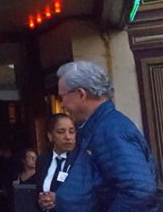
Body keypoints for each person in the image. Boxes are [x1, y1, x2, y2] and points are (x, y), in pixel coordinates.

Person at [53, 60, 157, 212]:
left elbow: (139, 192)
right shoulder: (100, 127)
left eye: (63, 96)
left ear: (81, 94)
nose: (62, 104)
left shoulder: (110, 130)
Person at [36, 113, 76, 211]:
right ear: (50, 136)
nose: (67, 137)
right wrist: (41, 201)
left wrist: (59, 199)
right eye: (61, 132)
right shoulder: (42, 160)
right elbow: (38, 190)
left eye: (71, 132)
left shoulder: (80, 160)